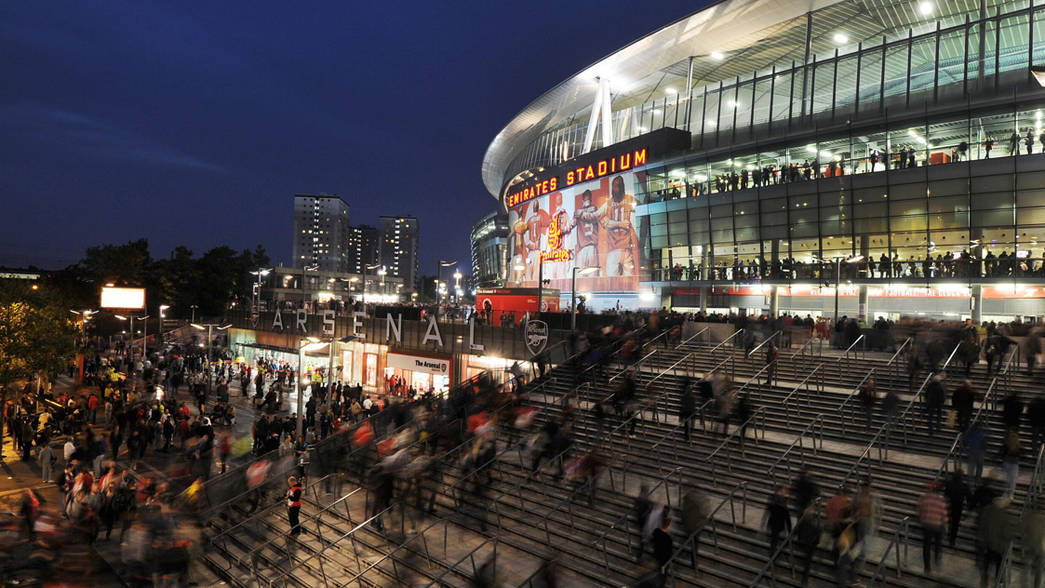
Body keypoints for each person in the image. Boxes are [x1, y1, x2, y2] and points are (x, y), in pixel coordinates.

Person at [917, 480, 947, 575]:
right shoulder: (941, 499)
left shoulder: (924, 498)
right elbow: (944, 514)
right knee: (938, 543)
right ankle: (937, 559)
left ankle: (927, 567)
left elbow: (919, 511)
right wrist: (945, 525)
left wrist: (922, 520)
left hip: (926, 524)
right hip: (937, 525)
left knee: (926, 546)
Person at [680, 488, 709, 570]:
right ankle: (694, 563)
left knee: (693, 543)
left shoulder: (687, 500)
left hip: (690, 526)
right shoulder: (699, 500)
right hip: (696, 526)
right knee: (694, 544)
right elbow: (704, 512)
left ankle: (692, 561)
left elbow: (683, 513)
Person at [794, 506, 822, 587]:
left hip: (802, 543)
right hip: (810, 546)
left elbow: (796, 531)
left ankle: (804, 580)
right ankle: (804, 580)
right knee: (807, 563)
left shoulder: (802, 523)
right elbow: (817, 539)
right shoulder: (815, 526)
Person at [763, 486, 792, 557]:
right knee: (775, 539)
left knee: (774, 539)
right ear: (781, 491)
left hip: (773, 522)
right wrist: (789, 528)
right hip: (778, 523)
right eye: (785, 491)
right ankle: (773, 554)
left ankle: (773, 552)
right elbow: (786, 515)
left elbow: (768, 509)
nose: (785, 493)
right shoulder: (782, 501)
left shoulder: (773, 498)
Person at [943, 469, 969, 548]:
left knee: (949, 521)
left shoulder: (949, 484)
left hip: (950, 505)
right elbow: (969, 497)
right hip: (958, 507)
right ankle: (952, 540)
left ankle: (947, 534)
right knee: (955, 524)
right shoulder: (964, 486)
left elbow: (946, 494)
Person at [678, 376, 695, 442]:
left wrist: (681, 413)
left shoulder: (684, 396)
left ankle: (686, 436)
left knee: (686, 424)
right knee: (689, 423)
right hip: (690, 411)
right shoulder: (692, 397)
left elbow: (681, 404)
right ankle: (688, 434)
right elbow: (693, 405)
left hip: (685, 411)